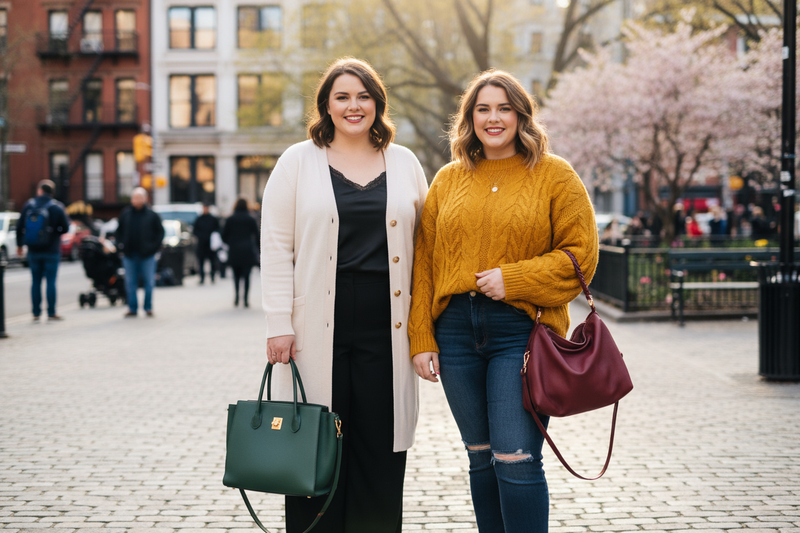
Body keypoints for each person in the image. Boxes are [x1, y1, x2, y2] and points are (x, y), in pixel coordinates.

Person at [409, 69, 599, 533]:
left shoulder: (554, 174)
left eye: (504, 108)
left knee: (515, 458)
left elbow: (582, 255)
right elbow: (425, 263)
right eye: (483, 109)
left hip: (522, 333)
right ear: (470, 118)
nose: (493, 118)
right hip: (455, 333)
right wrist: (421, 336)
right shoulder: (448, 179)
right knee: (480, 458)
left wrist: (512, 279)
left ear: (521, 116)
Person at [260, 57, 427, 533]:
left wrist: (425, 332)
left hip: (387, 324)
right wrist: (279, 323)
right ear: (326, 106)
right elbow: (276, 246)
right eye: (342, 97)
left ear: (377, 103)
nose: (354, 106)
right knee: (315, 444)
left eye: (363, 96)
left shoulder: (405, 162)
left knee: (380, 443)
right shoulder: (297, 161)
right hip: (316, 325)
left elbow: (428, 248)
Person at [16, 179, 70, 321]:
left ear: (40, 190)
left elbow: (19, 226)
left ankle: (36, 313)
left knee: (36, 281)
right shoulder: (57, 207)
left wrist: (19, 245)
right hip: (52, 250)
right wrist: (54, 233)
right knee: (51, 281)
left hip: (33, 250)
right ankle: (51, 312)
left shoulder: (29, 205)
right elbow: (65, 228)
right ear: (52, 192)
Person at [116, 188, 165, 317]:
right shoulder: (126, 214)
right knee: (130, 283)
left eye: (139, 197)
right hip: (129, 255)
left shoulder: (152, 215)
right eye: (135, 198)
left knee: (149, 282)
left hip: (147, 255)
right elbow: (119, 232)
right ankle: (132, 308)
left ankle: (148, 307)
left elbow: (160, 233)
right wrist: (121, 247)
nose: (137, 200)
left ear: (145, 199)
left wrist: (153, 248)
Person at [222, 198, 259, 307]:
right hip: (247, 250)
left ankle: (237, 297)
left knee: (236, 275)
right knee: (247, 276)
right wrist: (258, 250)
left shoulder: (230, 219)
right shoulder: (251, 219)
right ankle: (246, 299)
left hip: (234, 250)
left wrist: (230, 242)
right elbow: (257, 236)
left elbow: (224, 235)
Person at [192, 203, 220, 284]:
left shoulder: (213, 219)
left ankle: (212, 276)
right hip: (201, 243)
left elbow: (218, 229)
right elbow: (195, 230)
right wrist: (200, 236)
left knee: (212, 261)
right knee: (201, 262)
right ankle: (202, 277)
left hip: (211, 244)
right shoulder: (199, 219)